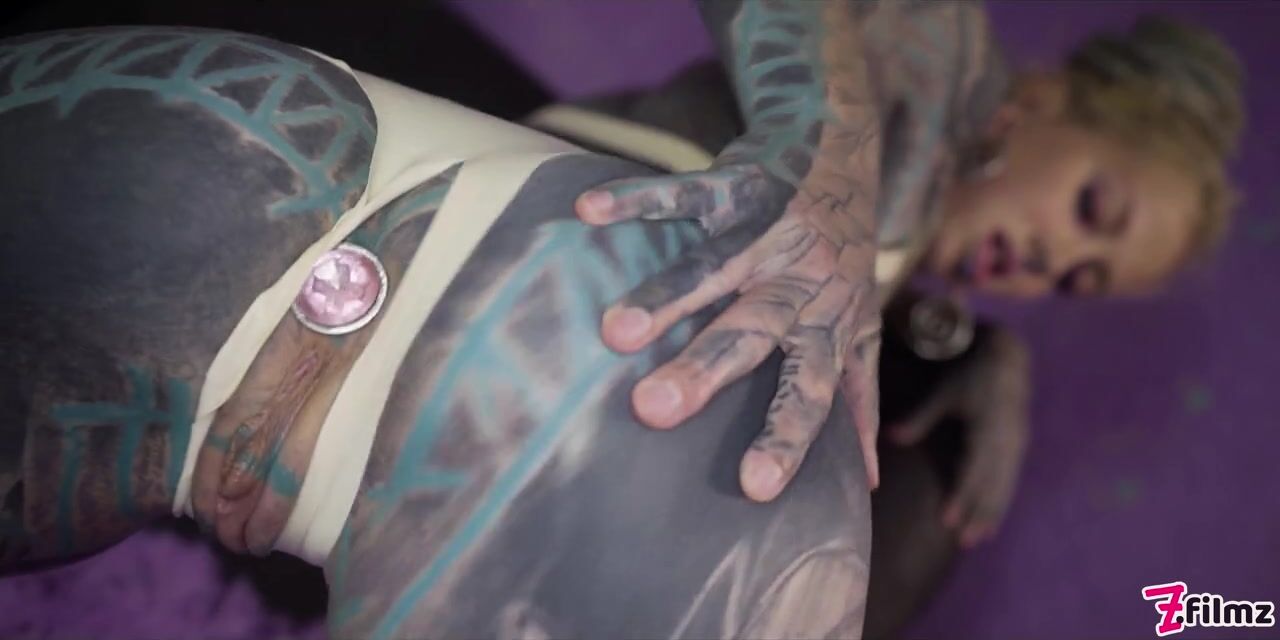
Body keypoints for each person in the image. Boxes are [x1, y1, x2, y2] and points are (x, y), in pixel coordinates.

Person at [0, 3, 1241, 639]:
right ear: (1043, 102)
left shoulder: (894, 288)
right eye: (1091, 207)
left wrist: (992, 354)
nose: (1051, 258)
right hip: (361, 246)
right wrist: (825, 157)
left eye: (1078, 281)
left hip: (406, 465)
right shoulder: (939, 54)